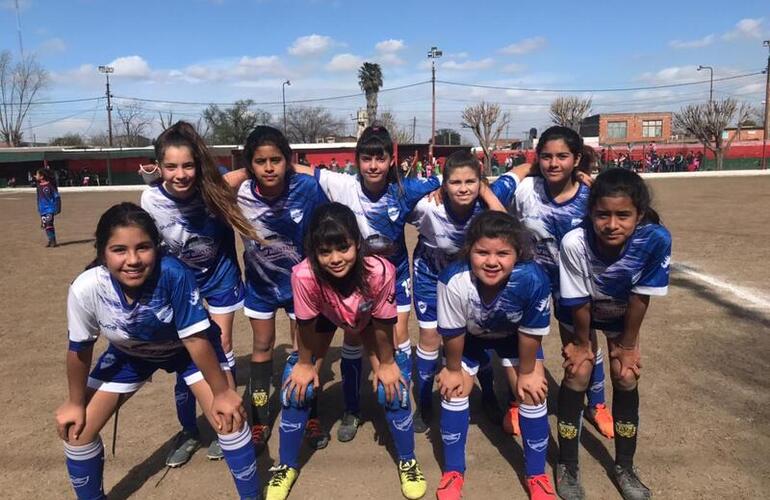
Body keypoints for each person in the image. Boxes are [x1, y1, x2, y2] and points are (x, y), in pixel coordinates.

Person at [54, 203, 260, 500]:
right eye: (119, 250)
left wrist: (223, 393)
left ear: (158, 247)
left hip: (189, 351)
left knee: (228, 419)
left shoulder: (174, 274)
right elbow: (79, 349)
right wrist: (75, 402)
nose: (133, 259)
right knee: (77, 430)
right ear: (102, 251)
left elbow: (195, 340)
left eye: (143, 247)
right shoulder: (86, 288)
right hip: (131, 354)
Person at [266, 203, 426, 500]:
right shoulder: (304, 275)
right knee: (295, 387)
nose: (335, 259)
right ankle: (285, 466)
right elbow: (306, 322)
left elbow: (382, 322)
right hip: (325, 314)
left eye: (343, 247)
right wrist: (304, 364)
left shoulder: (379, 271)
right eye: (325, 251)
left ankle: (408, 460)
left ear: (357, 242)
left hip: (367, 317)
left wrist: (386, 363)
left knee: (394, 386)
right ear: (313, 250)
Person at [292, 126, 440, 443]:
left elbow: (456, 181)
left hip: (394, 277)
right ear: (357, 160)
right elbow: (300, 168)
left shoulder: (406, 189)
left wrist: (446, 189)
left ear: (391, 160)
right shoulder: (343, 184)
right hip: (354, 278)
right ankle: (352, 409)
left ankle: (397, 406)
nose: (373, 165)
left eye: (380, 158)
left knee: (397, 338)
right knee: (354, 338)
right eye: (366, 158)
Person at [139, 121, 257, 466]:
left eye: (188, 165)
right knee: (184, 357)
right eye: (172, 166)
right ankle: (189, 431)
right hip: (179, 284)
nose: (180, 174)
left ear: (198, 165)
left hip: (219, 277)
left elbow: (249, 171)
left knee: (221, 347)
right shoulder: (150, 200)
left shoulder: (215, 188)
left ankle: (228, 425)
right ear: (158, 167)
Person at [555, 168, 671, 500]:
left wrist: (629, 345)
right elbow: (577, 300)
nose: (611, 224)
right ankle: (568, 464)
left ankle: (624, 466)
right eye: (602, 214)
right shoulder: (574, 241)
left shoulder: (655, 239)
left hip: (622, 310)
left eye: (623, 215)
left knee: (625, 375)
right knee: (578, 373)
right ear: (591, 212)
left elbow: (640, 296)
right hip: (579, 310)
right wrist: (581, 344)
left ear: (639, 214)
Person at [435, 211, 555, 500]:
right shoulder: (453, 279)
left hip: (515, 338)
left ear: (518, 254)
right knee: (453, 390)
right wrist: (452, 370)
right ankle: (453, 471)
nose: (491, 261)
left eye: (503, 253)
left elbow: (530, 333)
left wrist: (527, 374)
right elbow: (452, 334)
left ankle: (537, 475)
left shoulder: (533, 279)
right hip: (470, 339)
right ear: (469, 251)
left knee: (532, 392)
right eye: (481, 252)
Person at [510, 127, 614, 440]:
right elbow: (494, 203)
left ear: (576, 159)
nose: (554, 163)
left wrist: (593, 182)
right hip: (534, 279)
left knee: (582, 340)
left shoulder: (589, 196)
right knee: (527, 340)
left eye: (562, 156)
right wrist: (523, 169)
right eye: (546, 156)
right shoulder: (526, 190)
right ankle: (518, 400)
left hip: (575, 282)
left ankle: (597, 404)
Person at [408, 150, 521, 432]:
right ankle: (424, 401)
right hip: (430, 274)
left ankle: (489, 394)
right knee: (430, 336)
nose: (463, 188)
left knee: (474, 333)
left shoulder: (488, 200)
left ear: (480, 181)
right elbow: (392, 201)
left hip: (468, 277)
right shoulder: (426, 207)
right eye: (455, 182)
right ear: (444, 184)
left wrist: (487, 193)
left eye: (470, 182)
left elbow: (526, 169)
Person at [235, 126, 330, 453]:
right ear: (250, 165)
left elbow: (326, 224)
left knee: (302, 351)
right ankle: (259, 420)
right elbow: (208, 190)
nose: (269, 167)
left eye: (277, 159)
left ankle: (310, 415)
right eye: (260, 161)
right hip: (260, 287)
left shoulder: (306, 188)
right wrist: (242, 171)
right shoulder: (240, 192)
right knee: (262, 347)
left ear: (288, 161)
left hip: (300, 288)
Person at [35, 168, 61, 247]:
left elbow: (57, 197)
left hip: (50, 208)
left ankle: (53, 241)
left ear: (42, 176)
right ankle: (50, 240)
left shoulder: (50, 185)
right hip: (42, 209)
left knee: (49, 224)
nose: (35, 176)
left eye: (37, 174)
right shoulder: (38, 186)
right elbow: (38, 198)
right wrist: (38, 207)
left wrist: (58, 207)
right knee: (45, 225)